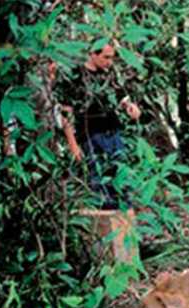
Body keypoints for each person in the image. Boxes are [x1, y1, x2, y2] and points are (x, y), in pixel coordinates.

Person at [58, 43, 141, 209]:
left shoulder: (108, 74)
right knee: (99, 183)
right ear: (93, 54)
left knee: (121, 178)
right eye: (106, 57)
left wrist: (130, 107)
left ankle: (125, 219)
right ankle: (106, 220)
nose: (110, 62)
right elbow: (66, 113)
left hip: (113, 132)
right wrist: (73, 144)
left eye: (112, 57)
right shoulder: (76, 76)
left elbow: (121, 98)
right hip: (91, 135)